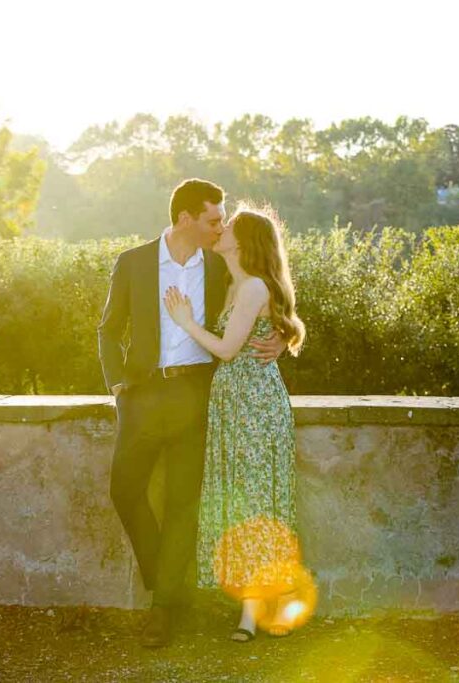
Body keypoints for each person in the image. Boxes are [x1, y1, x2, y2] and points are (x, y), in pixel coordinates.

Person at [97, 179, 287, 648]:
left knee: (183, 503)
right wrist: (118, 384)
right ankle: (167, 581)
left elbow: (270, 295)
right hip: (142, 395)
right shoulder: (134, 262)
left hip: (198, 398)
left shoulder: (221, 267)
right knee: (124, 489)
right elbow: (107, 329)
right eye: (212, 219)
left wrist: (285, 335)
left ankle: (163, 609)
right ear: (185, 219)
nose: (220, 227)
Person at [163, 204, 314, 642]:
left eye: (229, 226)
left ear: (244, 241)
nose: (221, 229)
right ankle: (260, 606)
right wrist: (286, 334)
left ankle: (255, 613)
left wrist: (187, 322)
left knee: (256, 505)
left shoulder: (250, 289)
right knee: (243, 507)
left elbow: (228, 350)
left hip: (254, 406)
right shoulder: (232, 282)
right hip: (232, 403)